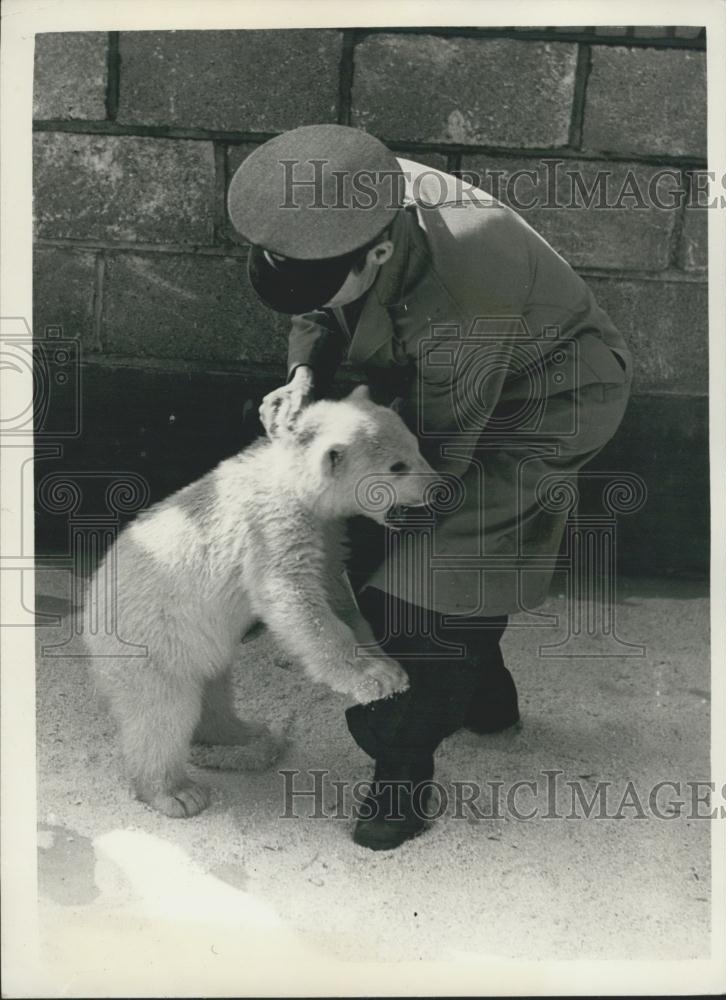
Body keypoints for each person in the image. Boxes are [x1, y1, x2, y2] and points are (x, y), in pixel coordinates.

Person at [227, 124, 633, 851]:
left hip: (542, 404)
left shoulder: (460, 294)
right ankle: (485, 698)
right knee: (433, 569)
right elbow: (319, 294)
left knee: (419, 583)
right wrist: (303, 377)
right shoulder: (344, 196)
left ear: (379, 252)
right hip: (443, 381)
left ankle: (402, 767)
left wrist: (348, 528)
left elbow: (434, 466)